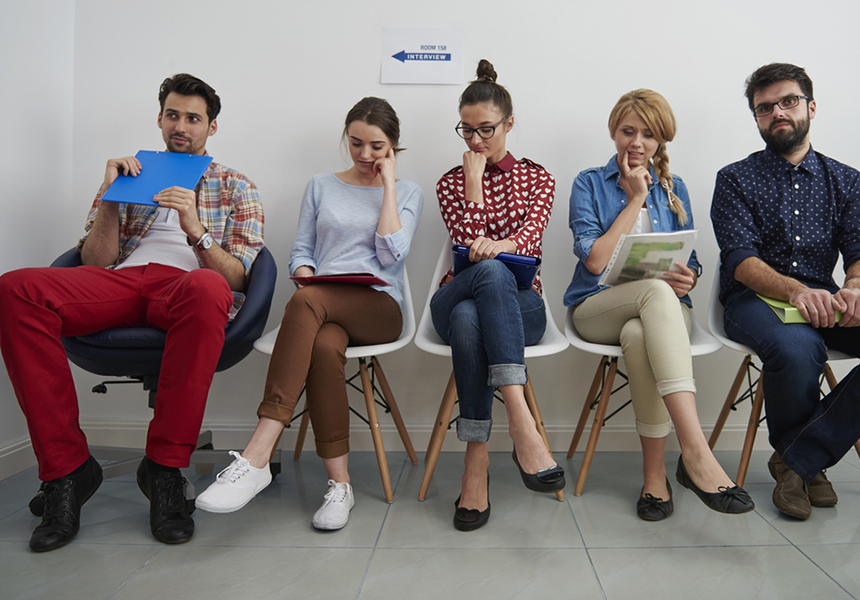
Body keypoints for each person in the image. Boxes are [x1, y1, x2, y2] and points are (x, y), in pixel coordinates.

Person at [0, 74, 265, 551]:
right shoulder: (130, 173)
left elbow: (237, 279)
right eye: (172, 115)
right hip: (119, 282)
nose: (180, 125)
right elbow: (95, 262)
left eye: (193, 118)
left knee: (207, 288)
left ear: (212, 127)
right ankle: (67, 471)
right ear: (160, 118)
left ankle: (164, 469)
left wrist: (195, 229)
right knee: (15, 289)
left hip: (187, 286)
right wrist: (110, 198)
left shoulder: (236, 185)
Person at [196, 97, 423, 531]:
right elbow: (302, 251)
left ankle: (258, 452)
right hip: (322, 306)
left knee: (306, 302)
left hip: (378, 306)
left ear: (393, 146)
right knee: (321, 342)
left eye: (376, 146)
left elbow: (393, 253)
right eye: (355, 143)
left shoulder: (409, 192)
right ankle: (340, 487)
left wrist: (389, 186)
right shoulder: (320, 184)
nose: (363, 155)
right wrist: (305, 273)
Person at [711, 63, 860, 520]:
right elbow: (740, 258)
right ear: (756, 118)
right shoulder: (735, 177)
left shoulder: (845, 179)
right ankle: (806, 466)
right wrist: (796, 291)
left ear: (810, 107)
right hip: (751, 300)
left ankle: (797, 458)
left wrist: (856, 288)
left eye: (788, 101)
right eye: (764, 107)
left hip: (827, 299)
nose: (777, 111)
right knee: (800, 346)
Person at [564, 89, 753, 520]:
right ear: (613, 131)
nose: (637, 142)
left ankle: (655, 478)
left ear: (661, 139)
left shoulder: (676, 187)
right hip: (597, 308)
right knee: (653, 293)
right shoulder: (589, 182)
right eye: (628, 131)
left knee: (640, 331)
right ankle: (696, 453)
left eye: (648, 134)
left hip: (661, 314)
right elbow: (594, 262)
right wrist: (634, 199)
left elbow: (694, 259)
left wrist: (691, 277)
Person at [430, 59, 563, 532]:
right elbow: (465, 250)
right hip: (454, 294)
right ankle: (520, 420)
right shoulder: (450, 181)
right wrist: (472, 184)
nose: (474, 140)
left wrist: (502, 245)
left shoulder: (539, 178)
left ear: (509, 123)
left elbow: (530, 242)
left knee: (472, 317)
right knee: (483, 275)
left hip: (522, 305)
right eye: (465, 130)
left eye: (485, 129)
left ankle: (475, 464)